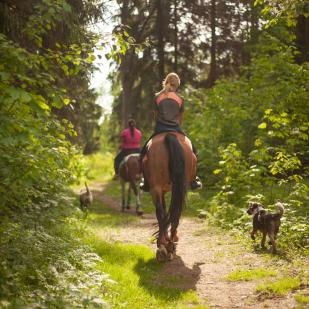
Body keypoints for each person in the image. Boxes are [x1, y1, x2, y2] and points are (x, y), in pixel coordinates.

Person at [140, 72, 202, 191]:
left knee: (143, 153)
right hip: (176, 129)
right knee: (194, 151)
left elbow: (155, 116)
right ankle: (194, 180)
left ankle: (145, 180)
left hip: (160, 129)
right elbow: (181, 119)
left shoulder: (157, 97)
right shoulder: (180, 99)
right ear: (177, 85)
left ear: (166, 82)